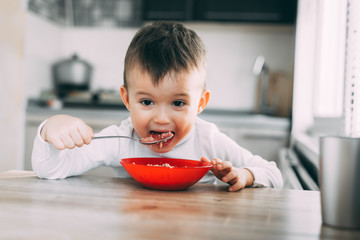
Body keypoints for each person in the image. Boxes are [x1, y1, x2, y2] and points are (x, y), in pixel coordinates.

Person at [32, 21, 283, 191]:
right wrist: (48, 129)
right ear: (127, 99)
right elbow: (49, 169)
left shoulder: (208, 140)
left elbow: (273, 174)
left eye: (178, 103)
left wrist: (245, 175)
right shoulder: (120, 139)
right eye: (147, 102)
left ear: (200, 104)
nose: (161, 118)